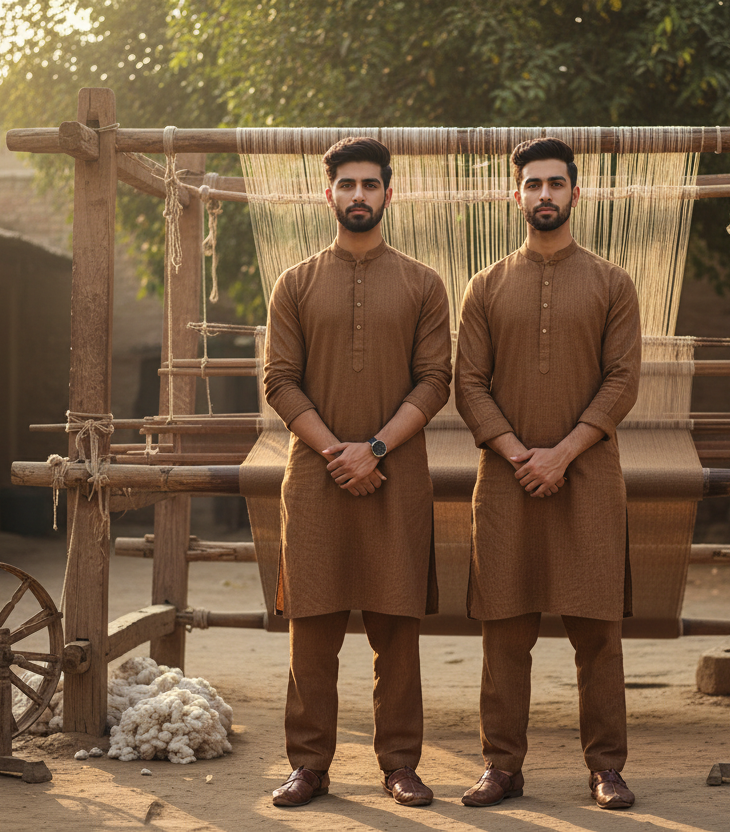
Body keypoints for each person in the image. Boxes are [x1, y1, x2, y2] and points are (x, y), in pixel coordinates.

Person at [263, 137, 452, 807]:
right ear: (330, 194)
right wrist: (337, 454)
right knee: (311, 628)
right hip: (315, 482)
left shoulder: (424, 283)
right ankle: (308, 766)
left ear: (388, 195)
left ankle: (400, 763)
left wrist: (371, 450)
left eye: (371, 185)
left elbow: (436, 382)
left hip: (396, 477)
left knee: (396, 627)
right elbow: (279, 382)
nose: (359, 196)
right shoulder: (296, 283)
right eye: (347, 185)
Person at [454, 137, 642, 810]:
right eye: (532, 184)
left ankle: (606, 769)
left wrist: (562, 453)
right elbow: (468, 383)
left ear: (575, 193)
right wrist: (518, 454)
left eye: (555, 184)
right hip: (505, 482)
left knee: (597, 631)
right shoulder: (486, 285)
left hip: (588, 478)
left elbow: (623, 381)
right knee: (504, 626)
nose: (544, 195)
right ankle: (501, 767)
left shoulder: (612, 283)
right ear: (516, 195)